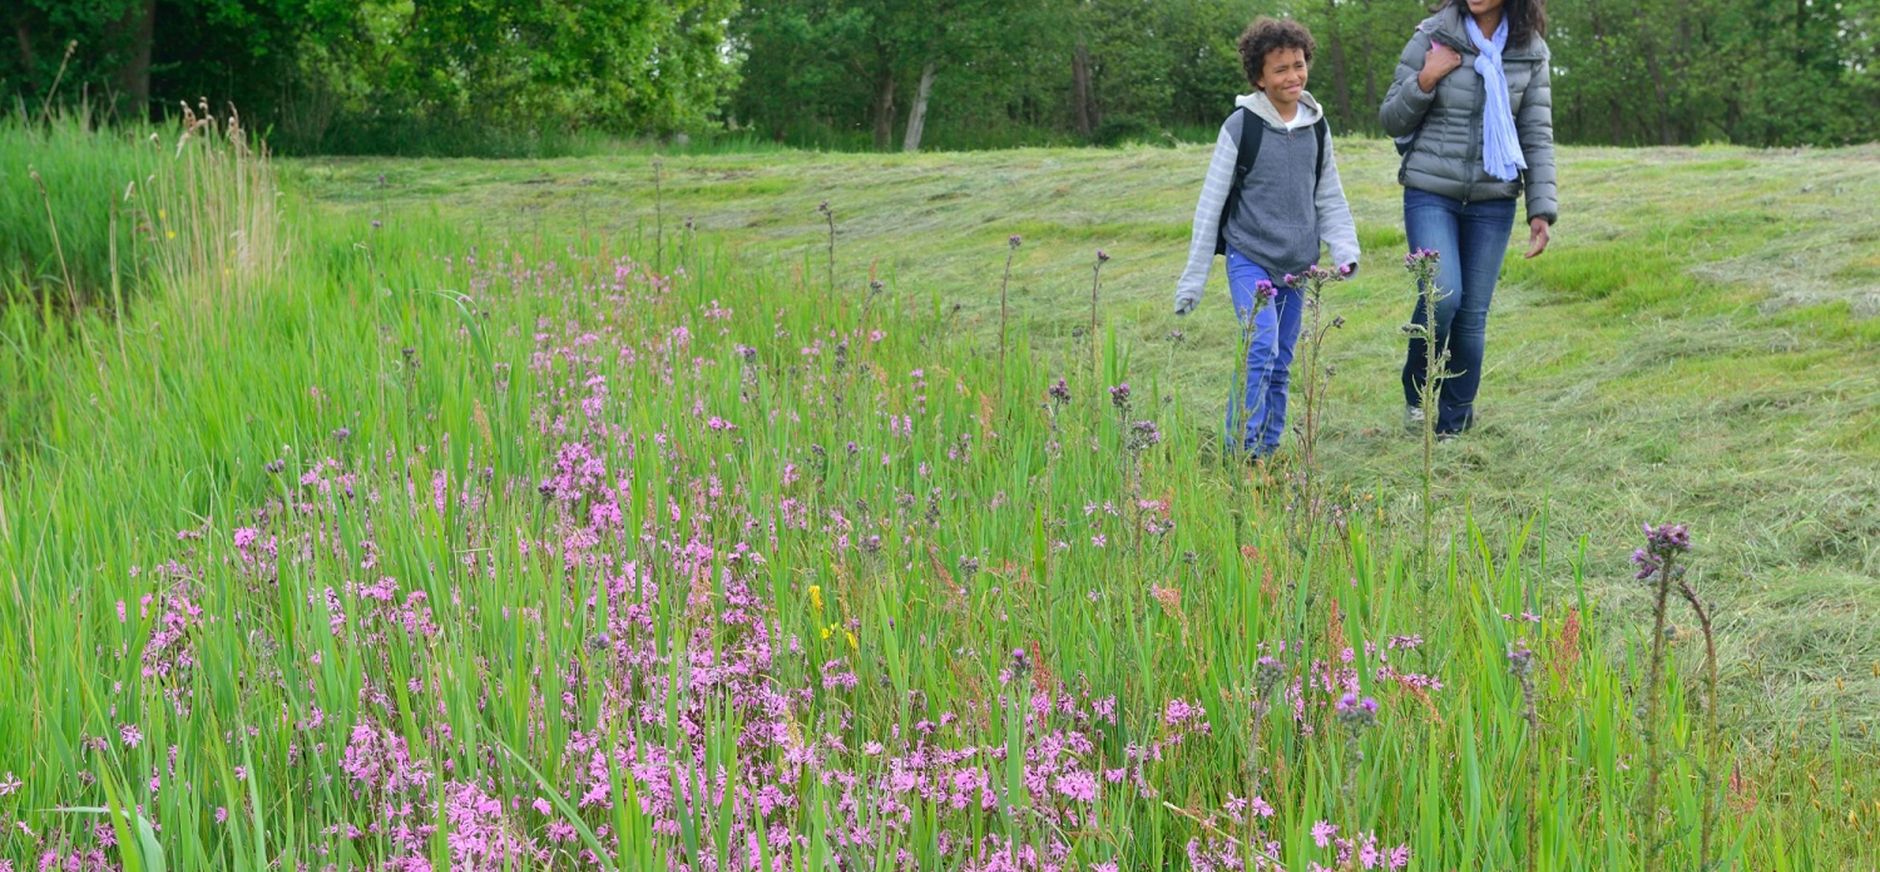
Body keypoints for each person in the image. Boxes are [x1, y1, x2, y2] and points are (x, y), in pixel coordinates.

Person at [1174, 17, 1360, 461]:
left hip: (1298, 264)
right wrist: (1192, 282)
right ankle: (1241, 453)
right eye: (1280, 69)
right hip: (1249, 257)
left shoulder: (1317, 126)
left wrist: (1345, 248)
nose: (1293, 76)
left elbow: (1329, 194)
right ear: (1259, 77)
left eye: (1299, 65)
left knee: (1280, 362)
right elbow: (1209, 208)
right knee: (1259, 346)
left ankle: (1268, 451)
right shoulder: (1241, 127)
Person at [1380, 0, 1555, 440]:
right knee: (1443, 297)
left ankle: (1453, 425)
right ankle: (1417, 395)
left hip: (1493, 198)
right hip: (1430, 191)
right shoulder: (1431, 35)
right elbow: (1390, 118)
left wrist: (1541, 209)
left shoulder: (1530, 50)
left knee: (1472, 315)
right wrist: (1426, 77)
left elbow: (1536, 133)